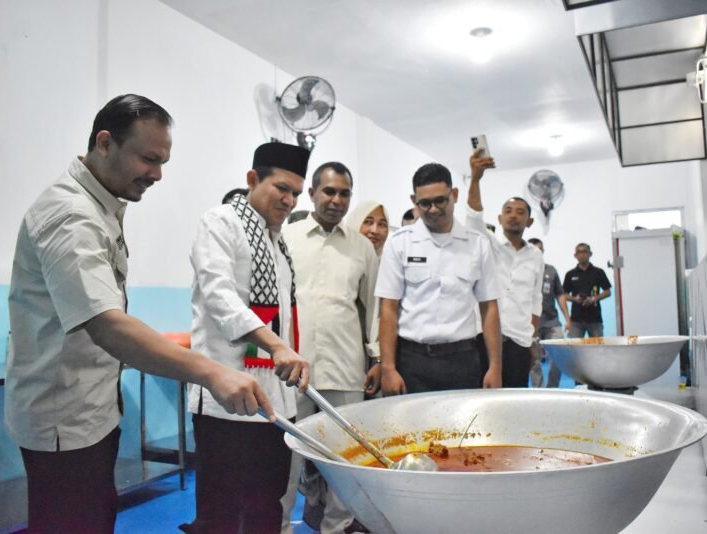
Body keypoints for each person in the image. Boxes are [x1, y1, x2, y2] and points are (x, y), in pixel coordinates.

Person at [4, 95, 302, 534]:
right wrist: (213, 372)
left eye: (163, 161)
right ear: (105, 143)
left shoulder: (103, 206)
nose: (158, 174)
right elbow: (107, 324)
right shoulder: (71, 215)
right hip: (63, 415)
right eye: (148, 159)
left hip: (93, 408)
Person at [184, 142, 312, 533]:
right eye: (281, 188)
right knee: (222, 511)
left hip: (274, 401)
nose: (290, 200)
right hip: (227, 400)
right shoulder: (221, 222)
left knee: (267, 503)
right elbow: (219, 297)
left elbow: (285, 322)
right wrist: (275, 345)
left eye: (296, 193)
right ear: (252, 179)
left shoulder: (278, 241)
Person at [281, 162, 381, 534]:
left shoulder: (361, 247)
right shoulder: (287, 238)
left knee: (345, 459)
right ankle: (281, 527)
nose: (336, 200)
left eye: (344, 193)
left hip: (345, 368)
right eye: (329, 191)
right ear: (312, 194)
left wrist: (376, 357)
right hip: (292, 368)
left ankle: (336, 528)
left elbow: (372, 307)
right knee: (288, 458)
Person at [376, 162, 502, 395]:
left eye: (440, 201)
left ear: (454, 195)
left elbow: (489, 307)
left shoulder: (477, 244)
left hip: (463, 360)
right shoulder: (400, 243)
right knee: (411, 429)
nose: (433, 209)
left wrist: (495, 367)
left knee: (464, 429)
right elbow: (388, 309)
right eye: (425, 203)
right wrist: (388, 368)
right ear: (414, 200)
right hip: (412, 361)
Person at [466, 148, 544, 387]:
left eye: (520, 212)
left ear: (529, 222)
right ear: (499, 219)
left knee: (514, 406)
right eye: (508, 211)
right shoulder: (487, 244)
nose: (513, 216)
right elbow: (474, 217)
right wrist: (476, 178)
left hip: (519, 343)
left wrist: (531, 340)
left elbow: (535, 300)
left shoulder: (536, 256)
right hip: (485, 341)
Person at [527, 238, 571, 388]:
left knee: (559, 357)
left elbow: (560, 295)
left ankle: (552, 388)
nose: (537, 252)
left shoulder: (551, 271)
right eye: (534, 249)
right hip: (531, 323)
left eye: (540, 249)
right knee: (534, 360)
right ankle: (539, 391)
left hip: (552, 322)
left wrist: (568, 319)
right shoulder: (521, 271)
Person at [563, 243, 612, 339]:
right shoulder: (570, 274)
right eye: (579, 252)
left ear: (590, 254)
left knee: (598, 349)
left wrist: (594, 298)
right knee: (574, 349)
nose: (582, 254)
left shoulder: (598, 272)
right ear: (575, 255)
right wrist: (575, 299)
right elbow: (563, 295)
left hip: (595, 319)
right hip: (576, 320)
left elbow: (608, 291)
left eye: (585, 252)